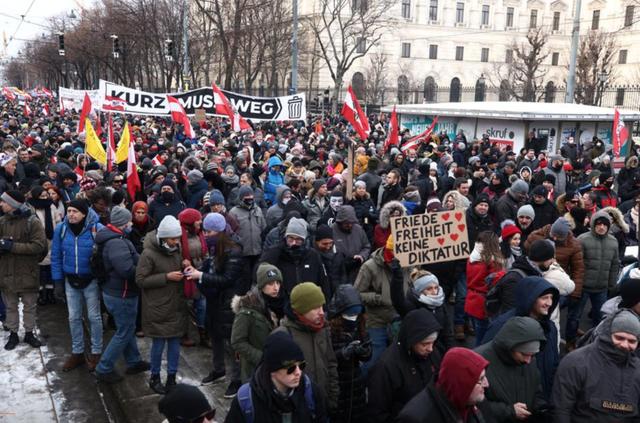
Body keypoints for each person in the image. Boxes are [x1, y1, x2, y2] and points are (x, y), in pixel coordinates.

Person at [186, 212, 246, 398]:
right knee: (216, 337)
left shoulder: (234, 251)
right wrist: (196, 271)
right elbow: (208, 268)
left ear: (219, 232)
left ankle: (237, 380)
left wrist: (201, 276)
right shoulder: (214, 249)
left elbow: (228, 279)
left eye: (209, 231)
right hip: (214, 301)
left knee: (233, 343)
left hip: (228, 304)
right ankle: (218, 370)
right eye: (205, 231)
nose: (206, 235)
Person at [552, 309, 640, 423]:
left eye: (632, 341)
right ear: (608, 334)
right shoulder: (575, 362)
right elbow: (561, 410)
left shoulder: (637, 369)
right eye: (619, 338)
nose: (624, 345)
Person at [94, 207, 149, 383]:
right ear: (123, 223)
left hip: (115, 291)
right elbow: (126, 269)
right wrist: (145, 272)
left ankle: (133, 361)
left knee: (127, 328)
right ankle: (104, 368)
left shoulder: (114, 238)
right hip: (122, 294)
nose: (132, 224)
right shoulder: (116, 242)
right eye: (129, 221)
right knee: (125, 331)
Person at [224, 331, 329, 423]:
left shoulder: (311, 391)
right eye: (290, 368)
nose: (298, 372)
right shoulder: (246, 399)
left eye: (301, 365)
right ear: (272, 370)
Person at [482, 276, 560, 400]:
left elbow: (554, 362)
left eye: (551, 298)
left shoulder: (550, 328)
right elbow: (485, 363)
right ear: (530, 298)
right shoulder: (502, 326)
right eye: (544, 298)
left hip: (542, 398)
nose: (549, 303)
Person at [135, 215, 189, 394]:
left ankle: (172, 377)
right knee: (158, 345)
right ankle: (155, 377)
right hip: (157, 307)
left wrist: (185, 264)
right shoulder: (148, 253)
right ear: (163, 237)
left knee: (174, 344)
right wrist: (166, 277)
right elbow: (140, 280)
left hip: (175, 304)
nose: (176, 241)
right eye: (173, 238)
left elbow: (176, 267)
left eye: (177, 238)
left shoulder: (176, 249)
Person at [51, 199, 104, 372]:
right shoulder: (61, 229)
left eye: (75, 211)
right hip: (70, 280)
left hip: (91, 280)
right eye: (69, 211)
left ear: (84, 213)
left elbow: (106, 254)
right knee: (73, 317)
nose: (71, 214)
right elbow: (56, 256)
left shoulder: (97, 229)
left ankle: (96, 352)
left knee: (94, 317)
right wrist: (57, 280)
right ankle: (78, 352)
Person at [366, 308, 443, 423]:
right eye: (425, 344)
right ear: (412, 339)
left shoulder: (433, 353)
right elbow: (377, 412)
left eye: (433, 342)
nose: (431, 348)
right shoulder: (386, 367)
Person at [273, 282, 339, 411]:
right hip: (296, 409)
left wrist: (332, 398)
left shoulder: (323, 329)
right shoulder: (282, 335)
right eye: (315, 308)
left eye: (322, 306)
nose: (321, 312)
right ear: (301, 310)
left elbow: (331, 364)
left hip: (322, 404)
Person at [475, 316, 548, 423]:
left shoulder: (529, 359)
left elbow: (536, 389)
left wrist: (541, 408)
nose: (528, 361)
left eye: (533, 355)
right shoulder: (479, 360)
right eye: (524, 354)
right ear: (509, 346)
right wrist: (509, 411)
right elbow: (473, 404)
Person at [0, 190, 47, 350]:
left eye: (4, 201)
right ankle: (13, 333)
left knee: (29, 306)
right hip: (7, 272)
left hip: (28, 272)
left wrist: (12, 246)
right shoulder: (2, 222)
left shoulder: (32, 221)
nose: (1, 204)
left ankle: (29, 333)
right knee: (10, 306)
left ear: (13, 204)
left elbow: (39, 246)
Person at [396, 347, 490, 423]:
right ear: (461, 384)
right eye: (480, 379)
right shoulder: (416, 418)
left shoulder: (473, 400)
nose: (487, 384)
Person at [569, 211, 620, 348]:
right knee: (575, 316)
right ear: (593, 224)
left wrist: (612, 284)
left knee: (600, 318)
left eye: (605, 224)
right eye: (598, 224)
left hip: (601, 287)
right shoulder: (582, 239)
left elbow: (615, 264)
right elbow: (574, 264)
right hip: (583, 286)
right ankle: (570, 341)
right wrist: (575, 284)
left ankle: (595, 344)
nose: (602, 227)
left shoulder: (613, 242)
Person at [354, 236, 401, 373]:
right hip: (376, 321)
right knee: (373, 361)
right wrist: (379, 298)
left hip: (400, 319)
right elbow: (356, 294)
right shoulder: (369, 267)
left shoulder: (408, 263)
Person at [231, 263, 284, 383]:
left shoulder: (280, 305)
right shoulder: (247, 311)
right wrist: (261, 358)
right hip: (255, 371)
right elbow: (237, 341)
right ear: (261, 286)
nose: (276, 288)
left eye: (278, 283)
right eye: (270, 284)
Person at [327, 284, 371, 423]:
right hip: (338, 383)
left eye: (356, 314)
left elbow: (368, 352)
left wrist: (364, 352)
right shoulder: (330, 330)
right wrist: (343, 353)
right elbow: (327, 357)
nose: (353, 318)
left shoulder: (360, 325)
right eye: (350, 314)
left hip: (356, 383)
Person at [260, 217, 330, 300]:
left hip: (309, 303)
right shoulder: (276, 253)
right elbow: (260, 272)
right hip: (283, 305)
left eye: (298, 240)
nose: (294, 243)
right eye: (290, 238)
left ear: (304, 240)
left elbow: (323, 282)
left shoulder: (313, 255)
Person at [391, 266, 453, 354]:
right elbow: (398, 301)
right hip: (417, 354)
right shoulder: (412, 305)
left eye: (436, 287)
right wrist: (397, 275)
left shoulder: (440, 303)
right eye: (429, 289)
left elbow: (447, 332)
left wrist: (449, 352)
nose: (435, 292)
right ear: (419, 290)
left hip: (438, 352)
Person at [465, 231, 505, 344]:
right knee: (484, 341)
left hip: (471, 301)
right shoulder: (492, 262)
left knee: (478, 337)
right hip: (484, 305)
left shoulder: (472, 258)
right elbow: (497, 282)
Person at [228, 185, 266, 271]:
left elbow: (263, 228)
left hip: (257, 251)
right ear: (241, 197)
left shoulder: (258, 210)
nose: (250, 199)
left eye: (251, 196)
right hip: (243, 252)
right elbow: (231, 233)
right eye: (247, 197)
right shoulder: (233, 212)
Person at [332, 205, 370, 284]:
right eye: (346, 223)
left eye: (351, 222)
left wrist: (362, 256)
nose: (349, 225)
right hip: (339, 273)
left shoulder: (359, 229)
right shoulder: (332, 230)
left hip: (357, 271)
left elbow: (366, 246)